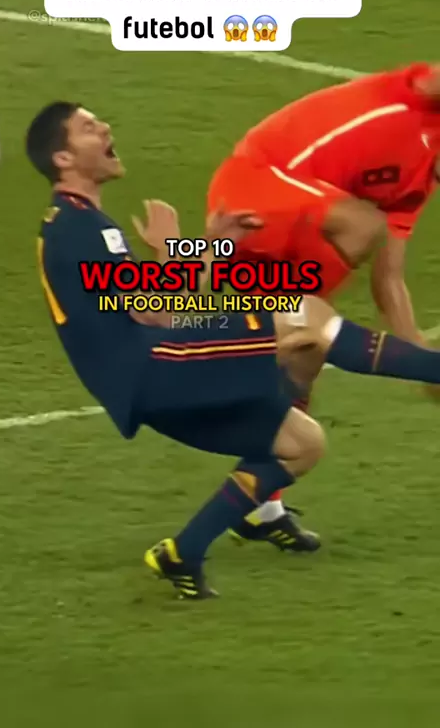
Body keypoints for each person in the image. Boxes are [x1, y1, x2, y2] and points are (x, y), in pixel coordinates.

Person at [27, 101, 440, 600]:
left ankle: (183, 553)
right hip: (153, 364)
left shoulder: (80, 222)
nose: (104, 128)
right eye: (88, 128)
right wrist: (172, 250)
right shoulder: (81, 227)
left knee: (301, 442)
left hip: (147, 369)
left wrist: (210, 244)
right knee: (301, 314)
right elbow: (155, 311)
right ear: (64, 158)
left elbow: (166, 307)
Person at [207, 62, 440, 546]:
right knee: (360, 228)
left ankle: (260, 506)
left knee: (305, 357)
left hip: (289, 224)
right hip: (254, 181)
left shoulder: (417, 185)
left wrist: (421, 364)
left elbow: (389, 278)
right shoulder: (418, 99)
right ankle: (268, 327)